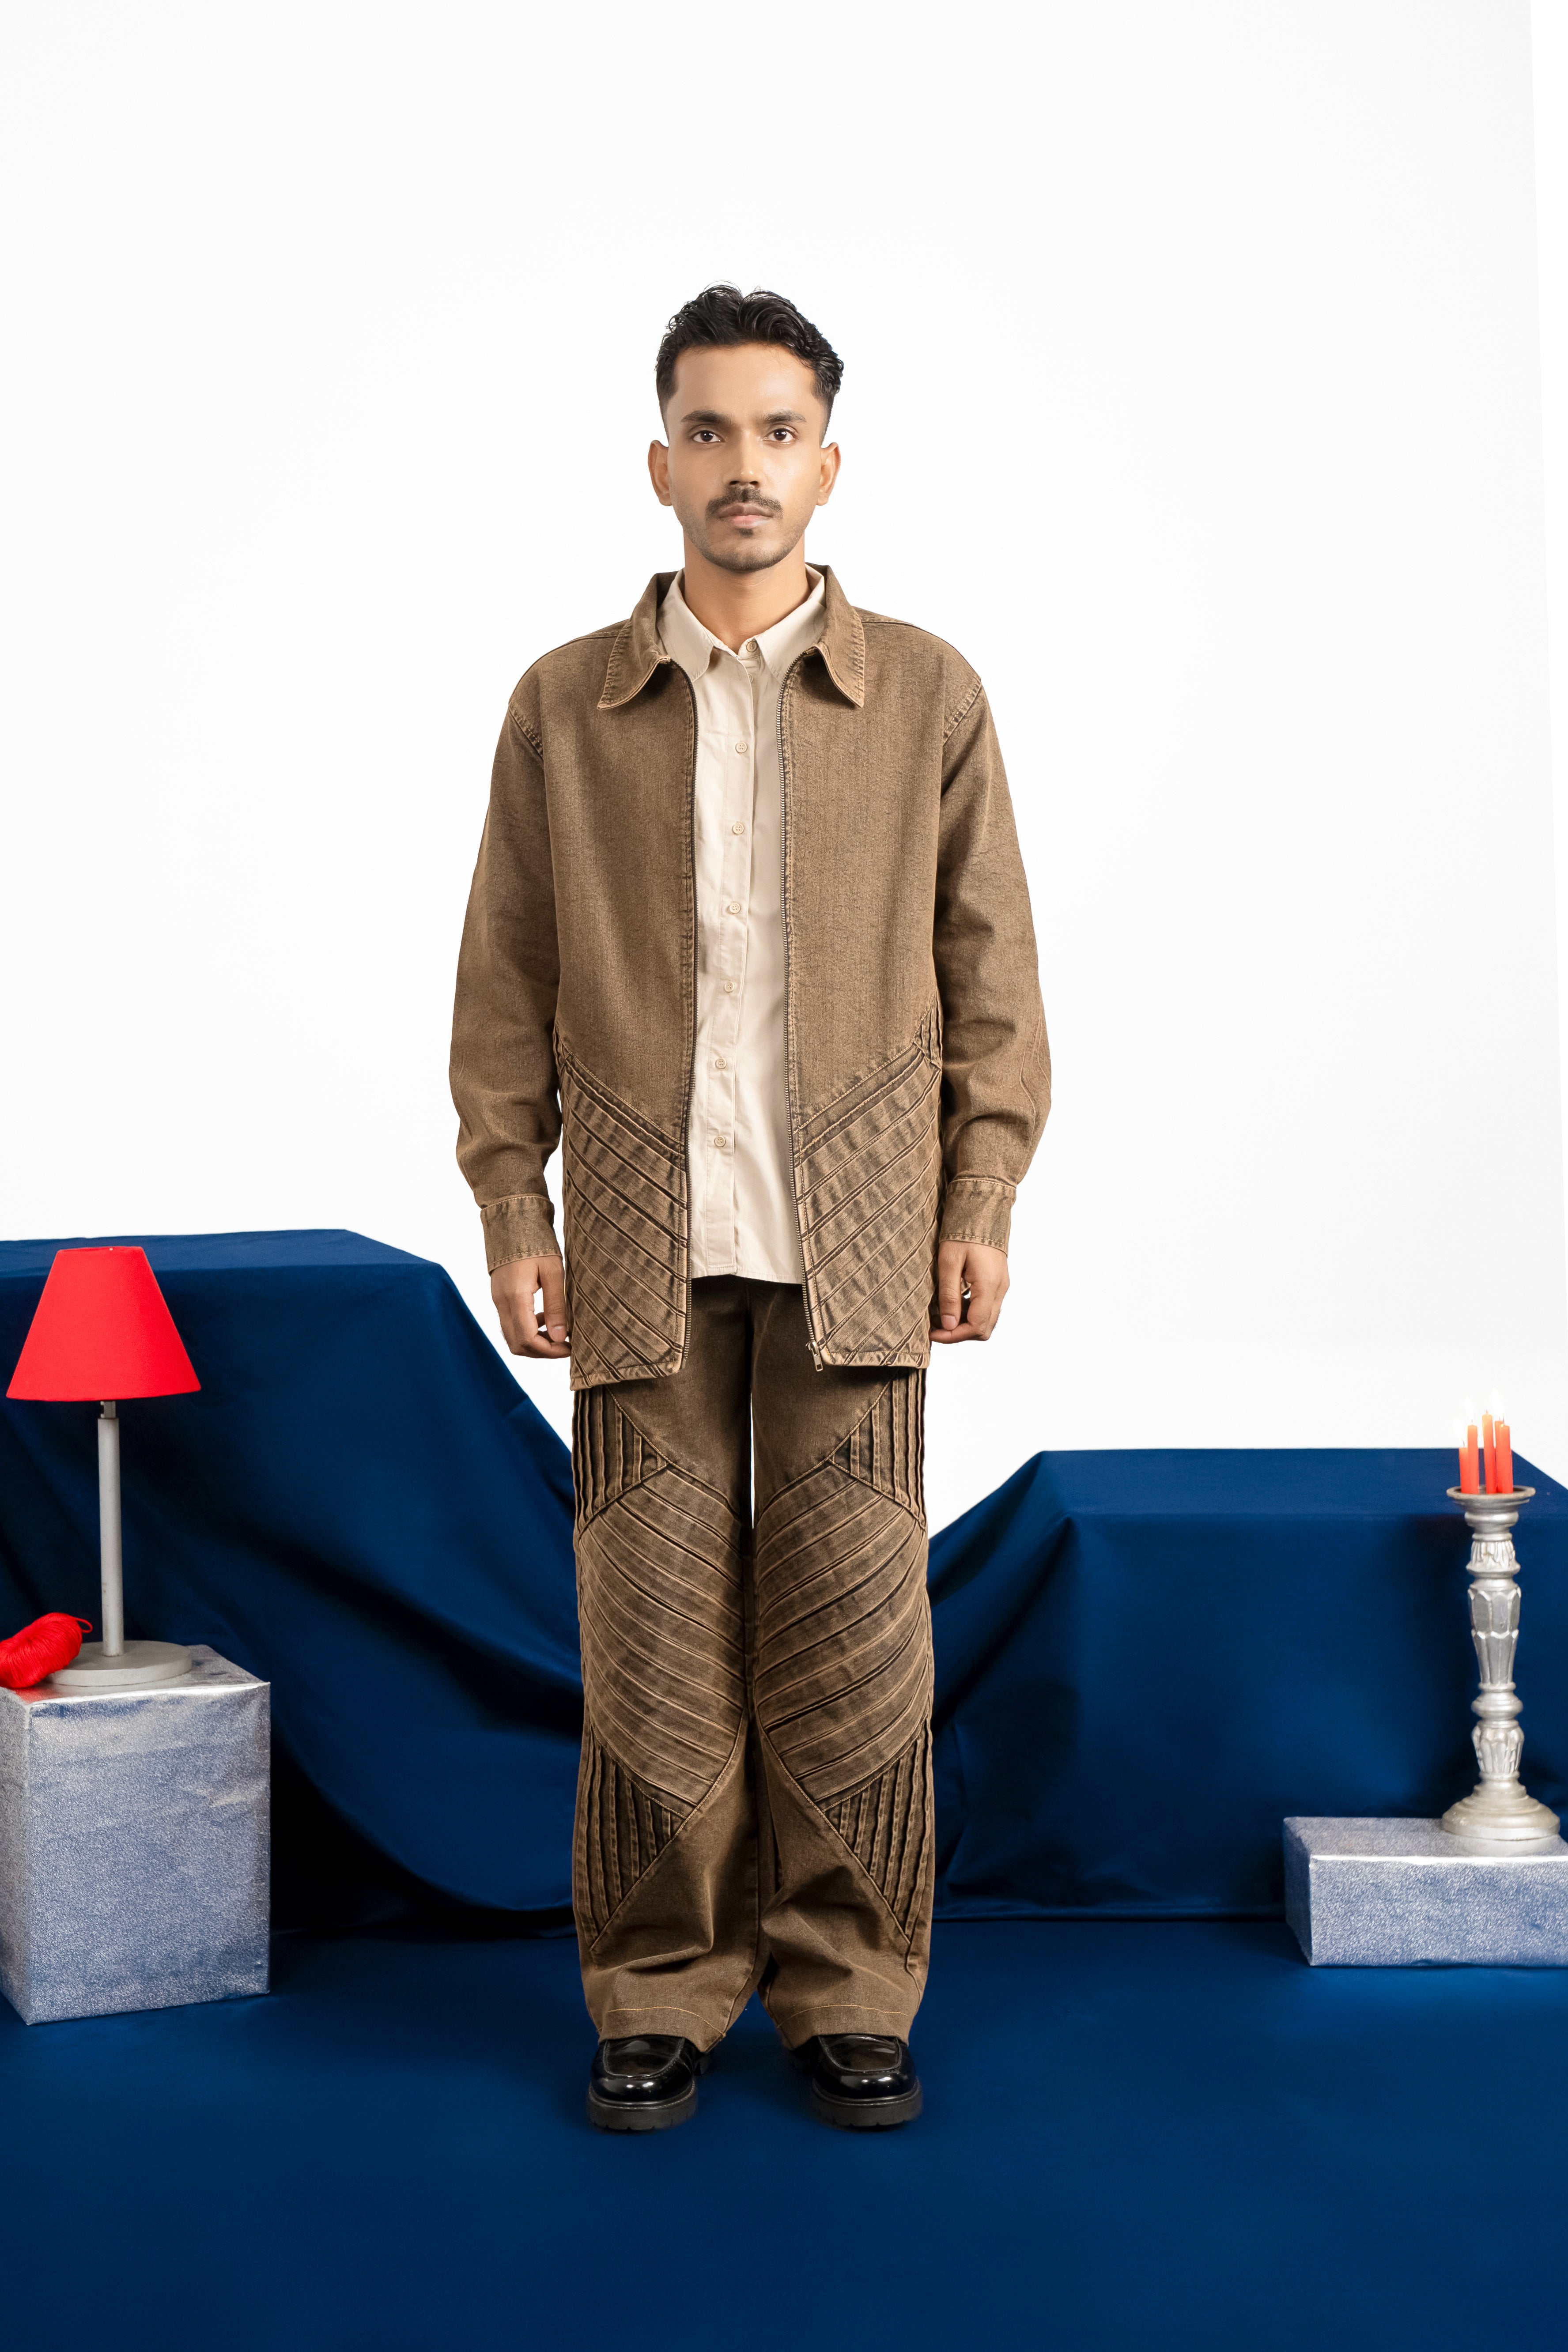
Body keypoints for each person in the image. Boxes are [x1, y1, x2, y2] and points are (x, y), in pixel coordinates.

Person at [450, 285, 1048, 2133]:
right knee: (646, 1640)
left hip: (859, 1234)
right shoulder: (564, 706)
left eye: (778, 433)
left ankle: (851, 1988)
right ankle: (656, 1991)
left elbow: (992, 969)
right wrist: (515, 1207)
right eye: (709, 431)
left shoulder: (926, 692)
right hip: (640, 1236)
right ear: (659, 463)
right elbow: (504, 979)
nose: (743, 466)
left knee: (862, 1636)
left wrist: (983, 1186)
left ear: (829, 464)